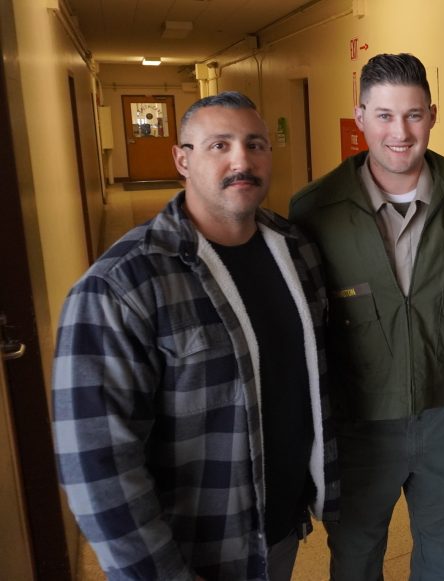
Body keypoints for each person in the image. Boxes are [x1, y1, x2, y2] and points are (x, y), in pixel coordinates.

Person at [51, 91, 340, 580]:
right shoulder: (121, 286)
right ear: (182, 159)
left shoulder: (295, 249)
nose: (241, 160)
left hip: (280, 529)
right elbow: (98, 467)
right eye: (219, 145)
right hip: (194, 551)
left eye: (255, 144)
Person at [289, 53, 444, 580]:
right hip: (359, 426)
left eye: (413, 114)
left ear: (433, 114)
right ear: (360, 117)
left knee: (443, 559)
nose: (400, 131)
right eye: (383, 115)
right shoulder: (313, 209)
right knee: (355, 560)